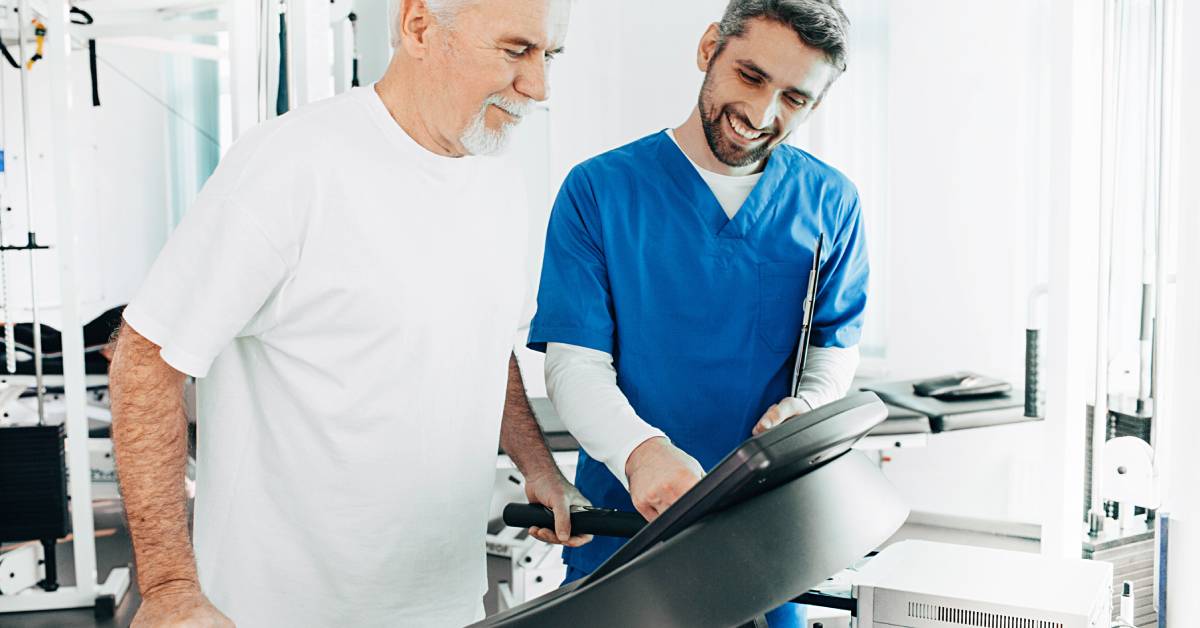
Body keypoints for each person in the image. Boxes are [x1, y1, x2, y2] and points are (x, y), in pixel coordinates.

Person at [109, 1, 584, 626]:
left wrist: (538, 467)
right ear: (419, 26)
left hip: (447, 603)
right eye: (516, 50)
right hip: (276, 610)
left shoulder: (501, 181)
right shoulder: (291, 165)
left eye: (549, 56)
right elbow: (144, 360)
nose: (539, 86)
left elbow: (485, 346)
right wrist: (169, 585)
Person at [526, 1, 865, 626]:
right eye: (751, 76)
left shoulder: (831, 202)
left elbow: (832, 347)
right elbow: (574, 366)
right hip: (628, 524)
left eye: (796, 98)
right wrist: (641, 453)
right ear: (709, 47)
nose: (762, 115)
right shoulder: (599, 191)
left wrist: (807, 408)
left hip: (766, 535)